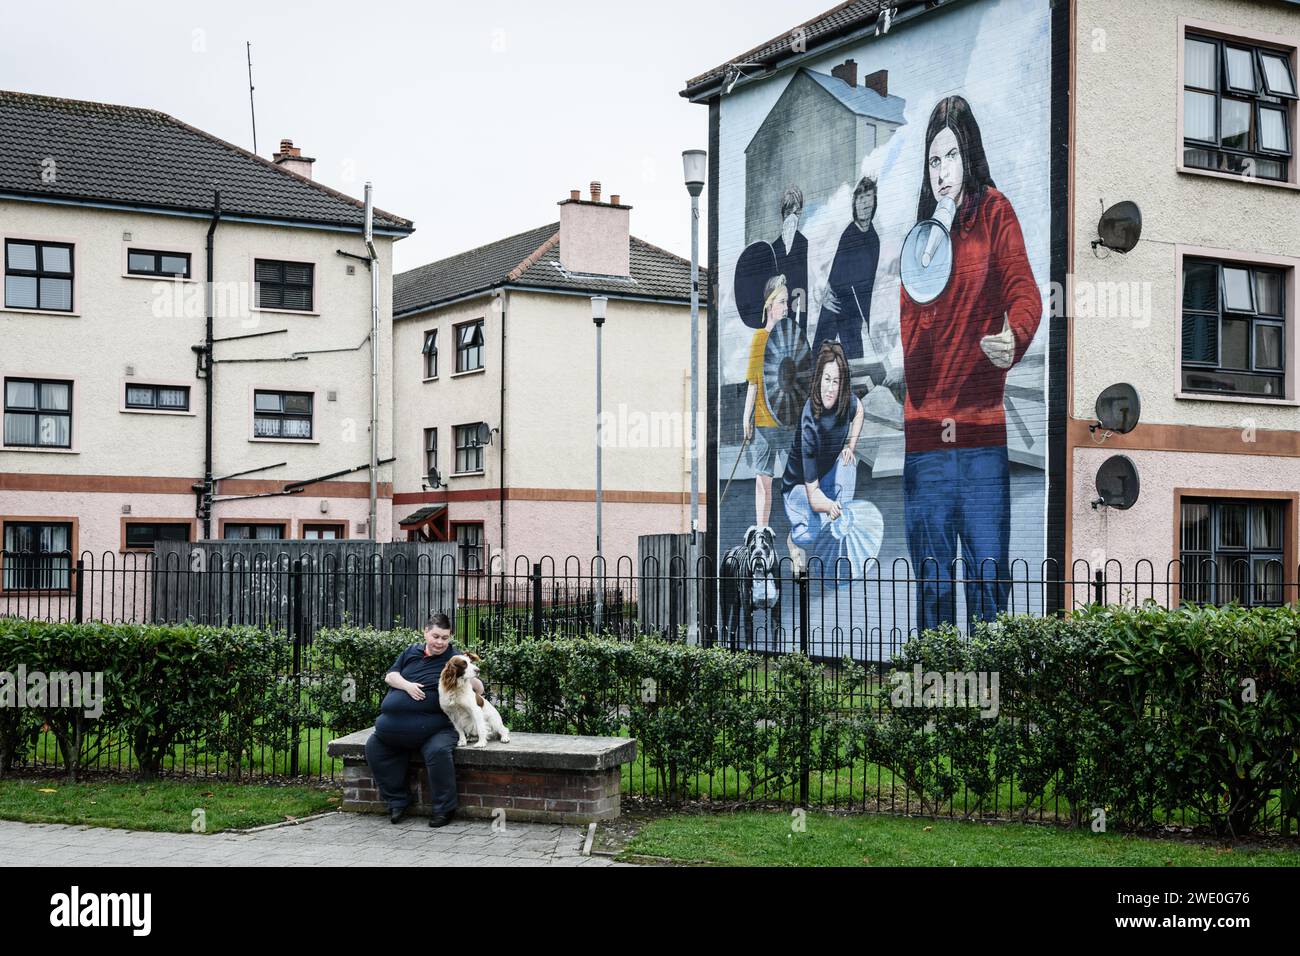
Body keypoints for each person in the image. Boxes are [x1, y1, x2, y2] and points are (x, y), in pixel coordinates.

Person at [899, 95, 1042, 630]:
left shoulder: (995, 212)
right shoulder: (919, 244)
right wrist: (931, 259)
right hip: (926, 445)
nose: (942, 172)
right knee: (933, 587)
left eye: (951, 156)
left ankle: (988, 709)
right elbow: (915, 365)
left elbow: (1025, 290)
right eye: (933, 161)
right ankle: (934, 709)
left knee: (989, 582)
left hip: (982, 440)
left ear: (970, 154)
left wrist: (1016, 333)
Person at [363, 613, 484, 827]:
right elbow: (390, 676)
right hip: (392, 727)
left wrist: (472, 680)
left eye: (445, 638)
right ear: (425, 632)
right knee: (374, 747)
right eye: (435, 636)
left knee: (437, 751)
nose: (440, 642)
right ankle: (398, 800)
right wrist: (407, 686)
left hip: (437, 727)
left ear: (450, 637)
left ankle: (444, 809)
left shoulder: (454, 661)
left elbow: (478, 688)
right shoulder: (411, 652)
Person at [782, 342, 864, 570]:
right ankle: (794, 538)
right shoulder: (810, 423)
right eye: (826, 379)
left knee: (848, 463)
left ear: (842, 384)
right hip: (800, 488)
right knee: (811, 534)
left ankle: (834, 524)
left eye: (835, 381)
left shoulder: (845, 402)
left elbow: (859, 412)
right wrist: (829, 507)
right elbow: (813, 494)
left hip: (826, 475)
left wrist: (851, 445)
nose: (830, 388)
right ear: (818, 379)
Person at [743, 274, 797, 534]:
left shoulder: (790, 337)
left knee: (796, 477)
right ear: (769, 305)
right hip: (764, 421)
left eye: (788, 302)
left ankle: (800, 529)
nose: (787, 308)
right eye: (783, 302)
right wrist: (746, 418)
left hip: (787, 422)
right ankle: (762, 531)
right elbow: (753, 383)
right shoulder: (759, 339)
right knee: (763, 480)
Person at [813, 176, 881, 362]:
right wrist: (826, 293)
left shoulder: (874, 239)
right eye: (861, 198)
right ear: (855, 203)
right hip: (835, 303)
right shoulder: (848, 233)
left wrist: (866, 318)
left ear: (874, 202)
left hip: (854, 310)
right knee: (818, 356)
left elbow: (870, 284)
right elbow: (832, 271)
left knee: (855, 361)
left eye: (869, 197)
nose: (865, 203)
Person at [772, 186, 809, 340]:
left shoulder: (803, 243)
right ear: (783, 215)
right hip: (779, 307)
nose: (792, 219)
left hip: (796, 303)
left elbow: (803, 287)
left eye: (796, 213)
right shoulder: (774, 248)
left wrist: (803, 327)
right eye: (788, 213)